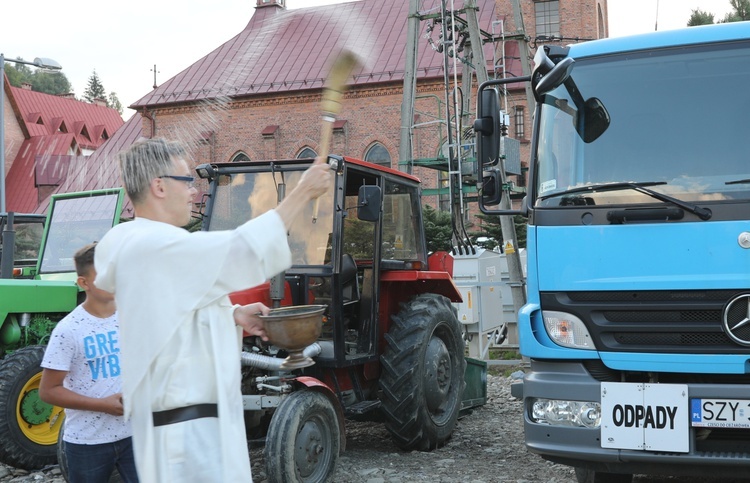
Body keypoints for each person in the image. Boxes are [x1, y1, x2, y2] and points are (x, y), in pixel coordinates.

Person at [94, 137, 332, 482]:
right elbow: (242, 250)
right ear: (159, 186)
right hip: (187, 440)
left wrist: (232, 315)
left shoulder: (135, 242)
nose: (194, 192)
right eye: (186, 181)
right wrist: (302, 193)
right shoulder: (152, 245)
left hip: (189, 425)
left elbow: (171, 317)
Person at [39, 243, 139, 483]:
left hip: (136, 434)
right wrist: (102, 404)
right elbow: (48, 391)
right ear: (84, 283)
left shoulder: (132, 315)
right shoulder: (68, 330)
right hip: (88, 443)